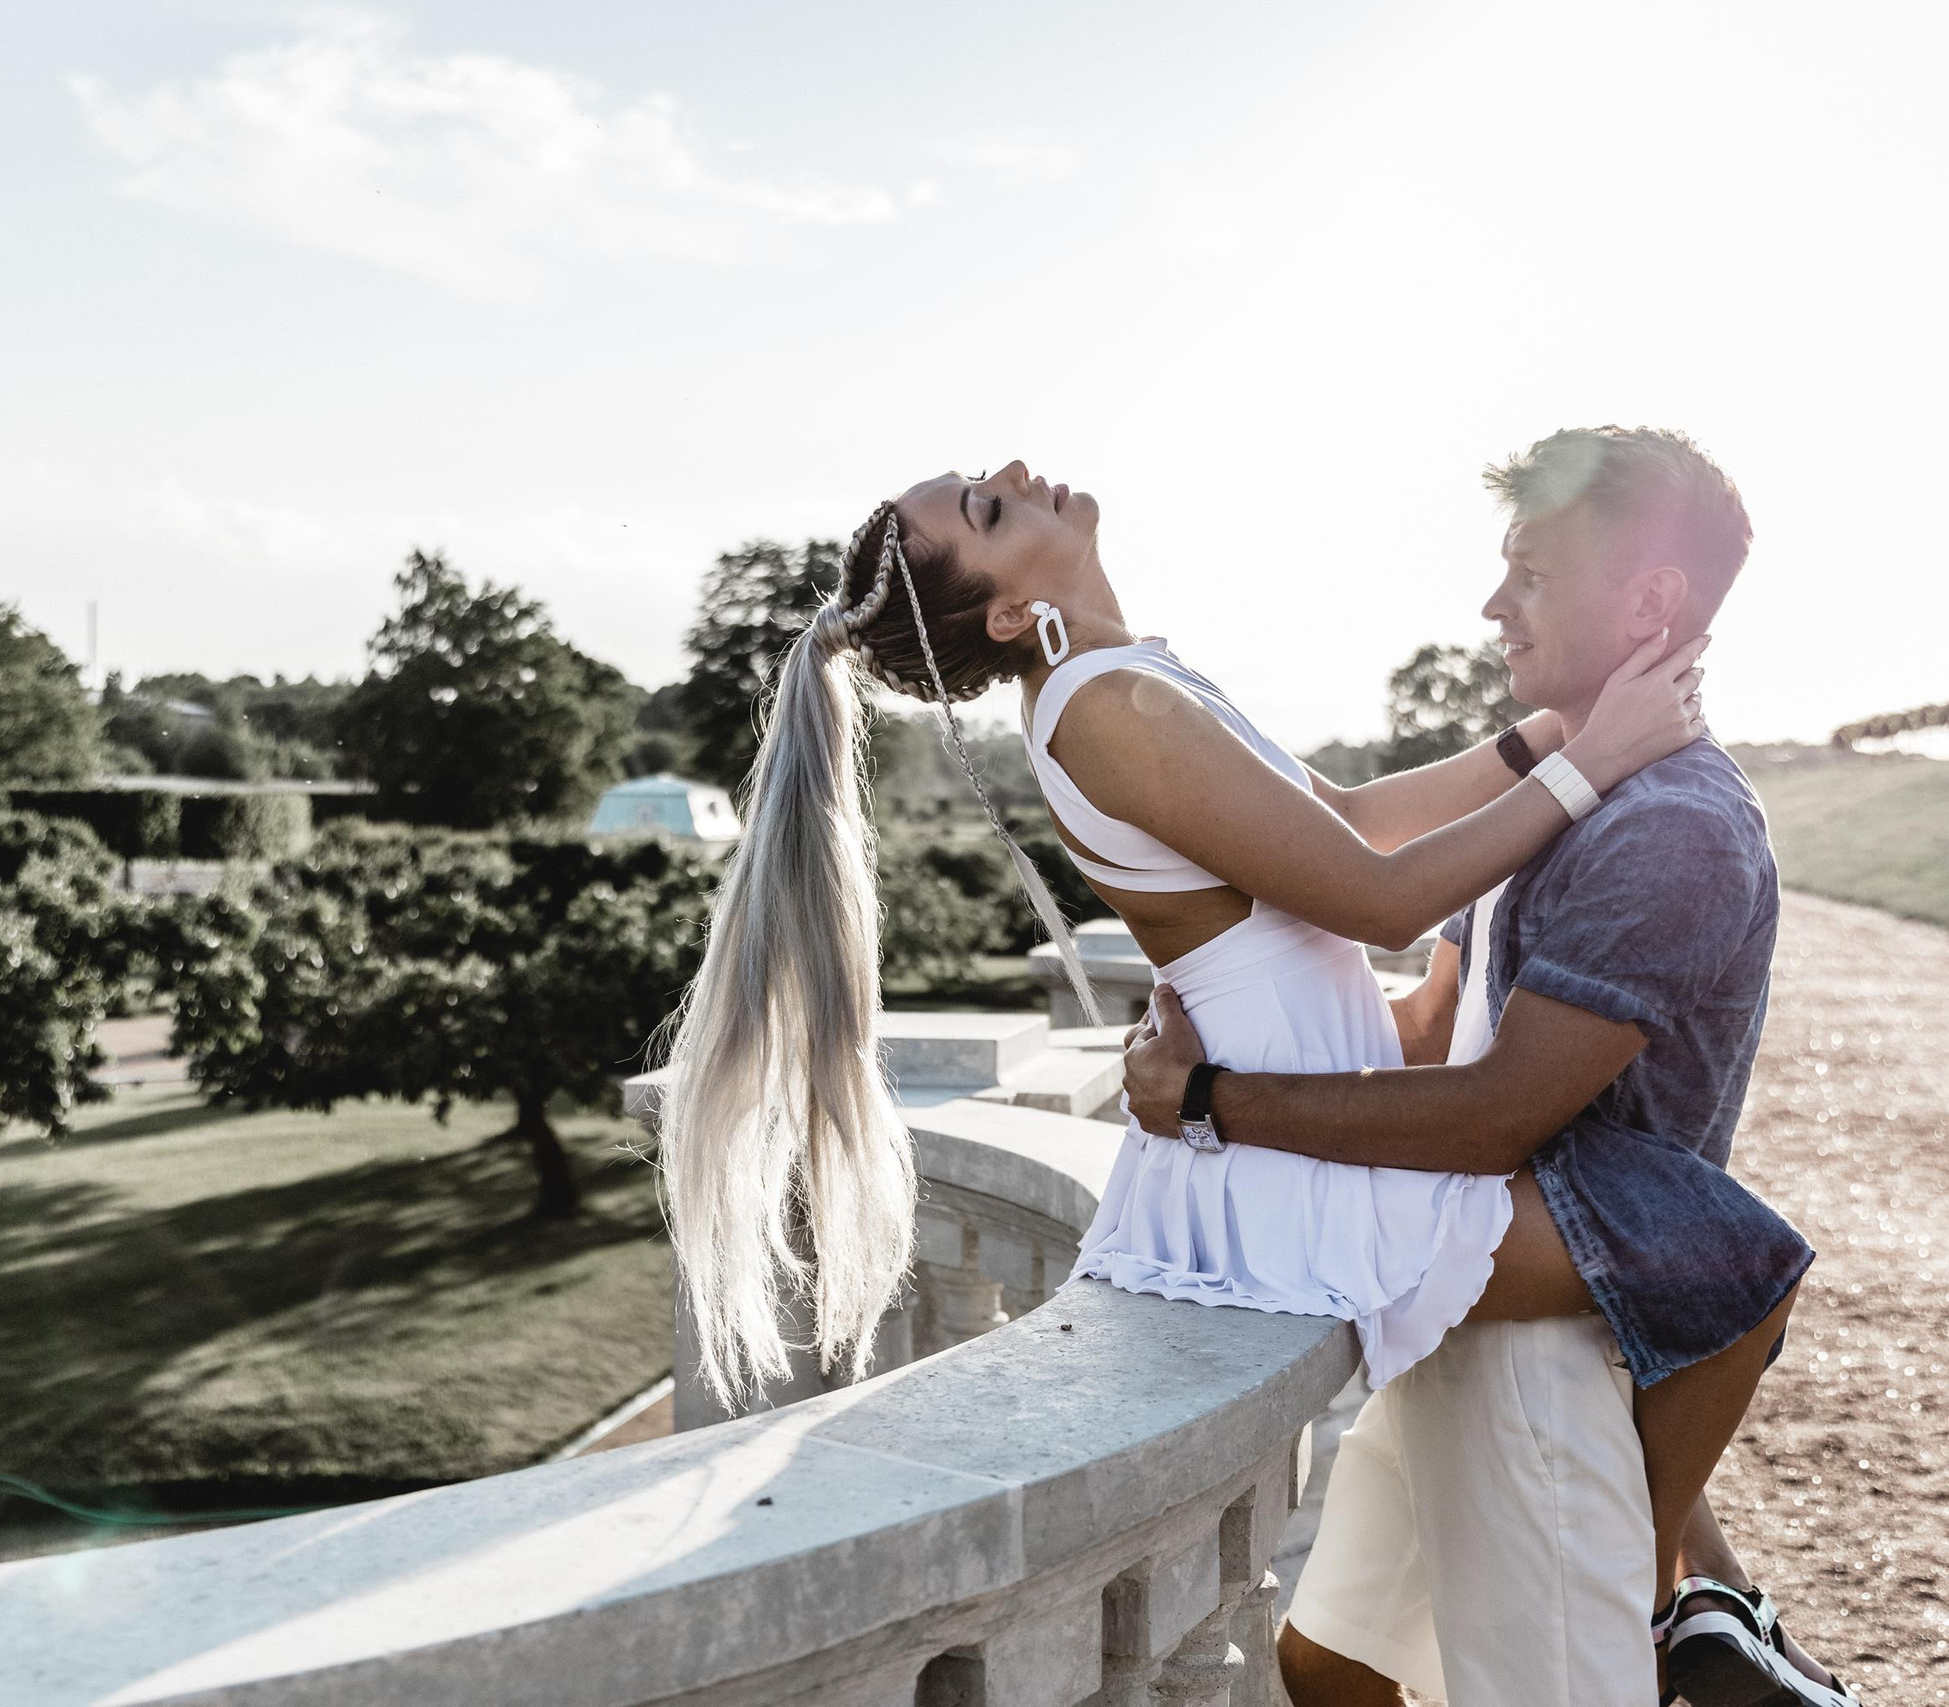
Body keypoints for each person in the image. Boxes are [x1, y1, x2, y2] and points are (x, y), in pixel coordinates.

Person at [656, 439, 1805, 1700]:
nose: (1018, 469)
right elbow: (1378, 897)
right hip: (1284, 1154)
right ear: (1008, 613)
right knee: (1731, 1260)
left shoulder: (1129, 679)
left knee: (1340, 1649)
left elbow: (1348, 823)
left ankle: (1689, 1585)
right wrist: (1589, 760)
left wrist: (1563, 732)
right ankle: (1678, 1593)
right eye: (986, 508)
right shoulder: (1102, 703)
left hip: (1291, 1127)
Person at [1120, 427, 1855, 1706]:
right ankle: (1706, 1600)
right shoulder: (1561, 800)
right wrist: (1208, 1023)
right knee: (1327, 1668)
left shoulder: (1673, 827)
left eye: (1532, 573)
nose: (1492, 604)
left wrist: (1206, 1104)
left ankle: (1685, 1605)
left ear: (1650, 601)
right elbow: (1426, 1029)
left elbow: (1490, 1114)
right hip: (1452, 1314)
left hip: (1542, 1363)